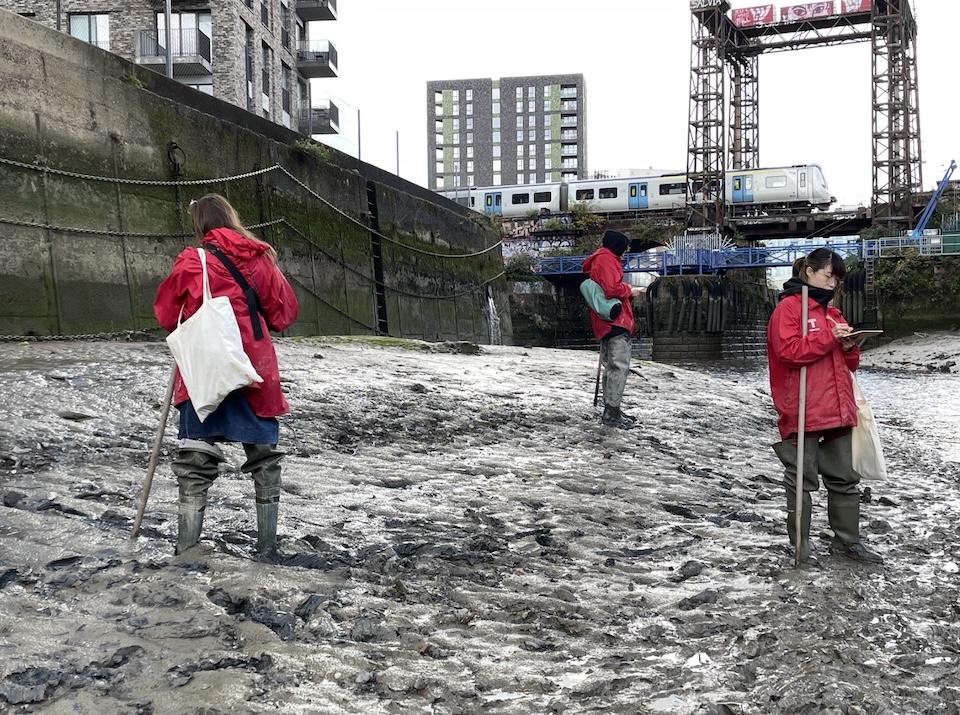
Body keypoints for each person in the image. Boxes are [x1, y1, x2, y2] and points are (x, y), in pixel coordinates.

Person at [153, 194, 299, 557]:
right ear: (231, 217)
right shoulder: (259, 257)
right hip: (253, 369)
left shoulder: (192, 261)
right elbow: (283, 314)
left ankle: (187, 551)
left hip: (205, 371)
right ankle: (266, 550)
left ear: (199, 224)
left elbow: (166, 315)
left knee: (194, 463)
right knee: (264, 460)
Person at [766, 248, 882, 564]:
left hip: (836, 406)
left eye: (837, 279)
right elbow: (788, 352)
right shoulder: (789, 310)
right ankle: (801, 549)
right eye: (829, 275)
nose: (833, 283)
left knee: (845, 477)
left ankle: (847, 543)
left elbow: (848, 365)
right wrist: (830, 339)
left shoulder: (833, 313)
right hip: (802, 407)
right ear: (809, 272)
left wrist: (849, 345)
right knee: (801, 480)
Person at [582, 230, 642, 429]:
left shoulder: (600, 259)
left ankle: (612, 409)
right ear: (617, 246)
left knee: (612, 366)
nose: (625, 253)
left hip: (606, 321)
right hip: (615, 320)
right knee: (619, 365)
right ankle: (612, 412)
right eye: (624, 249)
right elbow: (611, 289)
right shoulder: (607, 260)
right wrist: (630, 290)